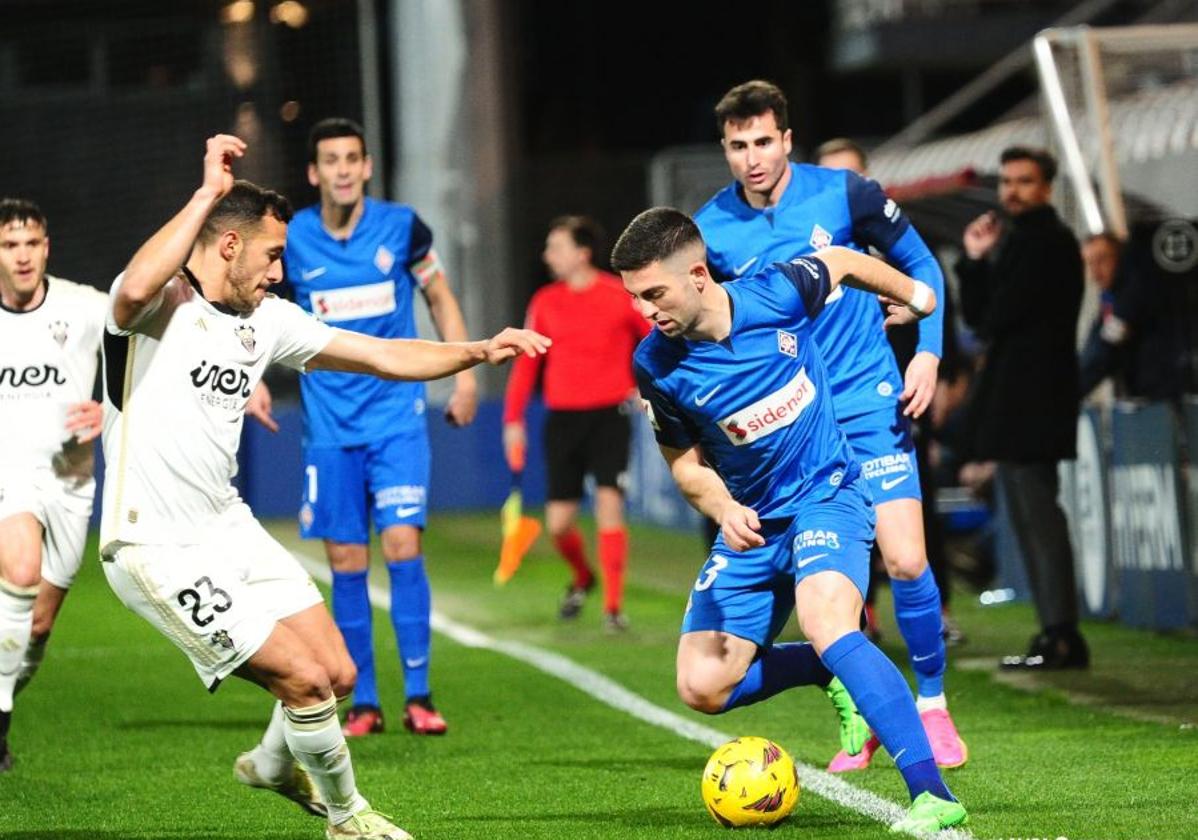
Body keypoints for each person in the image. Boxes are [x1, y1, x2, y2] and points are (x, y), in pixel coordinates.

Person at [99, 134, 548, 840]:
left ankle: (273, 766)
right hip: (153, 545)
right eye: (272, 254)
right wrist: (207, 194)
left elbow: (379, 354)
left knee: (336, 672)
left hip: (226, 527)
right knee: (303, 683)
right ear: (227, 246)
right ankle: (346, 818)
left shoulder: (267, 321)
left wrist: (475, 350)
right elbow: (128, 289)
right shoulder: (161, 307)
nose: (281, 271)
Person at [613, 207, 967, 833]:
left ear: (697, 275)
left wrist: (916, 295)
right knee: (701, 687)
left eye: (654, 293)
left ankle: (931, 794)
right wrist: (722, 507)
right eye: (636, 297)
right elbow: (685, 465)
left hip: (828, 496)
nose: (645, 310)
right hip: (753, 524)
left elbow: (845, 262)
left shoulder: (777, 293)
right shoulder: (656, 365)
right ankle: (822, 667)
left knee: (826, 618)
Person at [695, 81, 965, 773]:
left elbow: (922, 267)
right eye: (737, 146)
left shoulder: (845, 193)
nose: (752, 158)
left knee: (905, 558)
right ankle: (857, 698)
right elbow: (706, 325)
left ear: (787, 139)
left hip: (867, 399)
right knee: (831, 593)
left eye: (762, 141)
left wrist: (928, 351)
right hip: (791, 429)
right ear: (724, 150)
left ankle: (932, 707)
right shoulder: (713, 231)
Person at [256, 117, 478, 738]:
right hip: (328, 427)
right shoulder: (292, 237)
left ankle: (421, 694)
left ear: (367, 166)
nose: (344, 169)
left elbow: (439, 294)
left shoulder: (402, 227)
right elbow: (253, 303)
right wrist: (248, 376)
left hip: (396, 420)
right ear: (314, 173)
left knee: (404, 547)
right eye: (331, 160)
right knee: (347, 560)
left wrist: (462, 372)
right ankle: (364, 701)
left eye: (353, 158)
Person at [814, 137, 965, 647]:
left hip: (892, 398)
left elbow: (934, 287)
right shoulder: (803, 250)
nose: (844, 188)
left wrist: (933, 360)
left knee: (910, 534)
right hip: (812, 410)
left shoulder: (892, 249)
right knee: (839, 526)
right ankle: (860, 623)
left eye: (853, 176)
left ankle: (935, 617)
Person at [956, 146, 1087, 670]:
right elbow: (984, 316)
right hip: (1022, 402)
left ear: (1047, 187)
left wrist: (980, 267)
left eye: (1024, 181)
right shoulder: (1021, 242)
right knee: (1030, 519)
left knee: (1039, 517)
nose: (1012, 191)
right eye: (1007, 181)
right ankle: (1053, 631)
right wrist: (975, 260)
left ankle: (1062, 634)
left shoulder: (1048, 242)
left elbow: (991, 319)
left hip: (1035, 402)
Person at [502, 216, 650, 629]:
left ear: (581, 253)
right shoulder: (545, 302)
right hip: (563, 419)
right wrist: (512, 419)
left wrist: (647, 388)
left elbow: (655, 342)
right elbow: (527, 365)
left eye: (556, 247)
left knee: (609, 507)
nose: (548, 255)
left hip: (610, 417)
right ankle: (584, 576)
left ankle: (613, 609)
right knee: (559, 523)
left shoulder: (619, 295)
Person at [0, 198, 105, 773]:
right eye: (10, 245)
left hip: (69, 481)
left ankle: (3, 713)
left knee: (37, 626)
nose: (22, 256)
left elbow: (145, 340)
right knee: (18, 573)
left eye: (31, 244)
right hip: (8, 478)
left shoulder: (84, 307)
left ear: (47, 247)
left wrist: (110, 409)